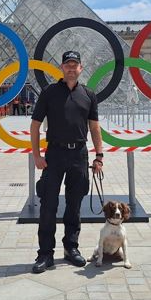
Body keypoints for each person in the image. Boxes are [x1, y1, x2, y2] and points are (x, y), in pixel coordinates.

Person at [30, 50, 104, 274]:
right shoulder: (49, 93)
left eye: (75, 65)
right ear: (61, 68)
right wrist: (36, 155)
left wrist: (99, 156)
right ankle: (45, 254)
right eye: (67, 65)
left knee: (74, 205)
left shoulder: (89, 95)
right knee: (48, 205)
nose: (71, 68)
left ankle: (71, 248)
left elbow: (94, 127)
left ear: (81, 68)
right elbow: (35, 126)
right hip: (54, 154)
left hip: (79, 155)